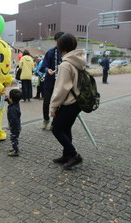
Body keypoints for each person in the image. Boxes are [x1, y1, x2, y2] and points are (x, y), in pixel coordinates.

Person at [50, 33, 84, 169]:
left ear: (60, 46)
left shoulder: (65, 65)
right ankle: (67, 155)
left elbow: (61, 89)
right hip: (77, 101)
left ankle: (74, 155)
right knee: (66, 128)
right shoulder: (79, 61)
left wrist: (53, 108)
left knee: (56, 129)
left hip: (68, 103)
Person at [40, 32, 63, 130]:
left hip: (61, 82)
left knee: (59, 103)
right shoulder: (50, 52)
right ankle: (46, 119)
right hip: (49, 81)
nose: (59, 43)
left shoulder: (66, 53)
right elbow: (43, 67)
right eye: (58, 41)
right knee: (46, 102)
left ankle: (55, 122)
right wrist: (47, 70)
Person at [6, 89, 22, 157]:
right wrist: (6, 99)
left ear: (11, 98)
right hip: (17, 126)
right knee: (15, 138)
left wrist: (10, 126)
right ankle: (15, 148)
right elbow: (11, 102)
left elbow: (14, 119)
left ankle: (15, 151)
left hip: (14, 127)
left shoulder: (12, 109)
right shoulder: (16, 103)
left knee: (13, 138)